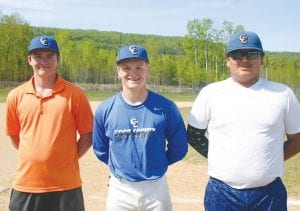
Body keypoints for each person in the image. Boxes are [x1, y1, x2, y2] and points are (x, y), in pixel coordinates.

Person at [187, 31, 300, 210]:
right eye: (237, 54)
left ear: (262, 59)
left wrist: (272, 159)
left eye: (252, 54)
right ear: (227, 60)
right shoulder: (210, 93)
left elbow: (297, 139)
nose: (245, 60)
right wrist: (221, 159)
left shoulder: (282, 94)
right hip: (221, 192)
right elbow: (194, 135)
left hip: (269, 193)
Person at [93, 44, 188, 211]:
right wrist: (122, 167)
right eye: (126, 68)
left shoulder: (167, 107)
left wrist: (157, 164)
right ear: (118, 71)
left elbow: (179, 148)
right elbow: (100, 150)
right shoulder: (105, 109)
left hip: (156, 188)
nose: (133, 73)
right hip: (120, 189)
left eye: (139, 67)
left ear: (147, 69)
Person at [4, 35, 93, 211]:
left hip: (66, 186)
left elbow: (87, 136)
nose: (43, 62)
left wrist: (65, 158)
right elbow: (15, 137)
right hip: (26, 185)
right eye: (38, 56)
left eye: (49, 56)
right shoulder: (15, 95)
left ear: (58, 60)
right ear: (29, 60)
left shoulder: (75, 94)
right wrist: (36, 155)